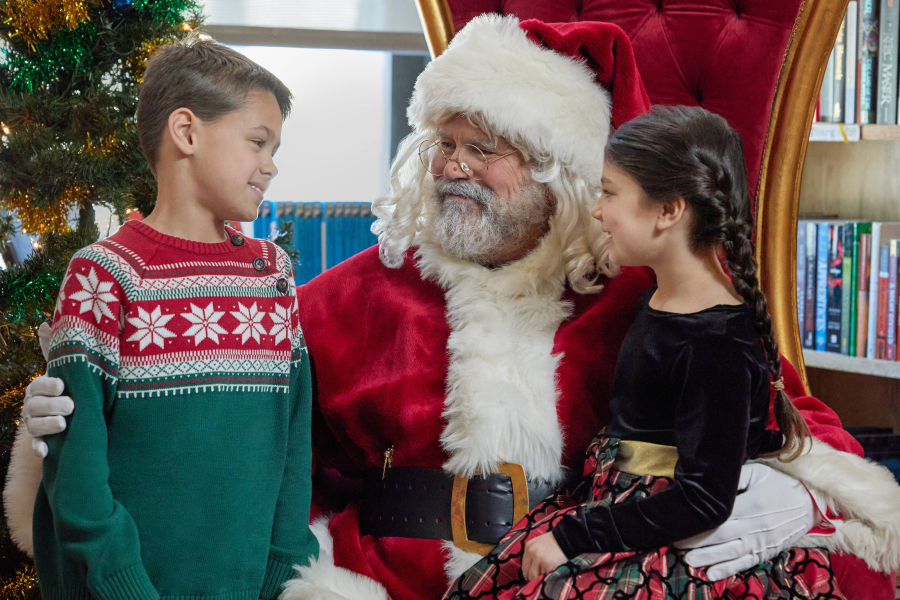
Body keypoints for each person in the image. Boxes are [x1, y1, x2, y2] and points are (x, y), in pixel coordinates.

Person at [9, 15, 900, 600]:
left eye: (487, 148)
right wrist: (69, 433)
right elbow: (236, 448)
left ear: (556, 173)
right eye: (445, 142)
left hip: (577, 567)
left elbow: (790, 420)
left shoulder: (646, 296)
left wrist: (791, 493)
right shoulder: (350, 295)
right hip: (386, 580)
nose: (454, 167)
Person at [442, 105, 893, 600]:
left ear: (669, 211)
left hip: (661, 537)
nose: (597, 210)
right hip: (616, 509)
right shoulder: (657, 302)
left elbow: (704, 499)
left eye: (610, 193)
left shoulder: (715, 345)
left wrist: (573, 536)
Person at [21, 37, 319, 600]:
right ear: (186, 132)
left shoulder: (272, 274)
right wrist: (127, 588)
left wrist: (285, 574)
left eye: (274, 147)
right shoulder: (104, 274)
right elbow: (77, 477)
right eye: (258, 141)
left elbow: (293, 440)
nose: (271, 164)